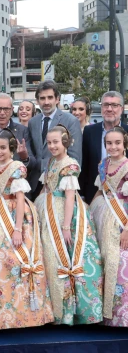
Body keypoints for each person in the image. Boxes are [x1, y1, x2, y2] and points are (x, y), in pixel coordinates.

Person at [0, 129, 54, 330]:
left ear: (11, 149)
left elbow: (20, 199)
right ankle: (2, 316)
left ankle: (24, 314)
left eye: (2, 148)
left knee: (11, 259)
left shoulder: (17, 168)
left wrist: (18, 229)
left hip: (15, 217)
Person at [35, 126, 103, 325]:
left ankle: (70, 312)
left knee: (64, 256)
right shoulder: (51, 161)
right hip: (47, 209)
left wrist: (66, 226)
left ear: (65, 141)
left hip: (65, 214)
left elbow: (70, 196)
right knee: (50, 255)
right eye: (49, 143)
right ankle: (55, 309)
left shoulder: (70, 164)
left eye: (56, 142)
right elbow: (46, 186)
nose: (52, 146)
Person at [90, 126, 128, 327]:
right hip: (101, 215)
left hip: (121, 219)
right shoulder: (103, 165)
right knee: (101, 260)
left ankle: (118, 316)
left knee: (117, 261)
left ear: (124, 145)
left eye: (117, 143)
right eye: (109, 143)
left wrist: (127, 230)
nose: (113, 147)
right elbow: (100, 189)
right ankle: (101, 314)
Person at [27, 80, 82, 198]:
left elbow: (75, 158)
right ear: (37, 101)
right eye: (42, 98)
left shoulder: (71, 121)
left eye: (50, 97)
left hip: (59, 187)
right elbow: (34, 153)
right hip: (35, 185)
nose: (46, 102)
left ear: (57, 99)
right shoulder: (33, 122)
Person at [0, 93, 35, 190]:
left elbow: (33, 163)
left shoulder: (23, 131)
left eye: (6, 109)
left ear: (12, 110)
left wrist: (25, 157)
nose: (2, 113)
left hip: (16, 191)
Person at [79, 91, 128, 204]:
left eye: (114, 105)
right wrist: (82, 194)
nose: (109, 109)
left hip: (123, 201)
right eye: (106, 105)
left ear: (121, 108)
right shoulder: (89, 131)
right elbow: (85, 165)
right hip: (94, 196)